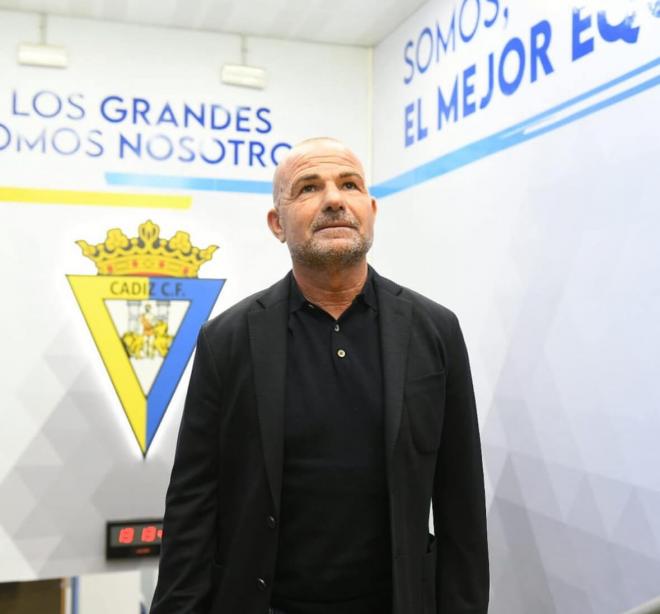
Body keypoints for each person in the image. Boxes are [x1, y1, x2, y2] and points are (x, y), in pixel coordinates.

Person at [150, 137, 489, 614]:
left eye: (349, 185)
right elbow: (192, 506)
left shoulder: (435, 331)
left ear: (369, 209)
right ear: (277, 224)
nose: (334, 199)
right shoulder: (226, 340)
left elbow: (462, 507)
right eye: (309, 188)